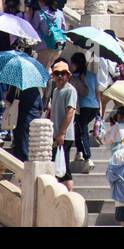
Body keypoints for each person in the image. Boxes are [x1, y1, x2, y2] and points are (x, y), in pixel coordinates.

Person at [49, 60, 77, 190]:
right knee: (58, 167)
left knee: (64, 168)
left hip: (64, 135)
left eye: (63, 73)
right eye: (57, 73)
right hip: (55, 133)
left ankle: (69, 194)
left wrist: (61, 133)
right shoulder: (55, 91)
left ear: (68, 75)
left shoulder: (70, 90)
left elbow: (70, 112)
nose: (60, 76)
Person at [69, 53, 100, 170]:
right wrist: (100, 107)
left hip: (82, 106)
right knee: (81, 128)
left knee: (82, 131)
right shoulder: (92, 75)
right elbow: (97, 92)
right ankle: (79, 152)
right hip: (94, 106)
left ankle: (87, 156)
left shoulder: (75, 76)